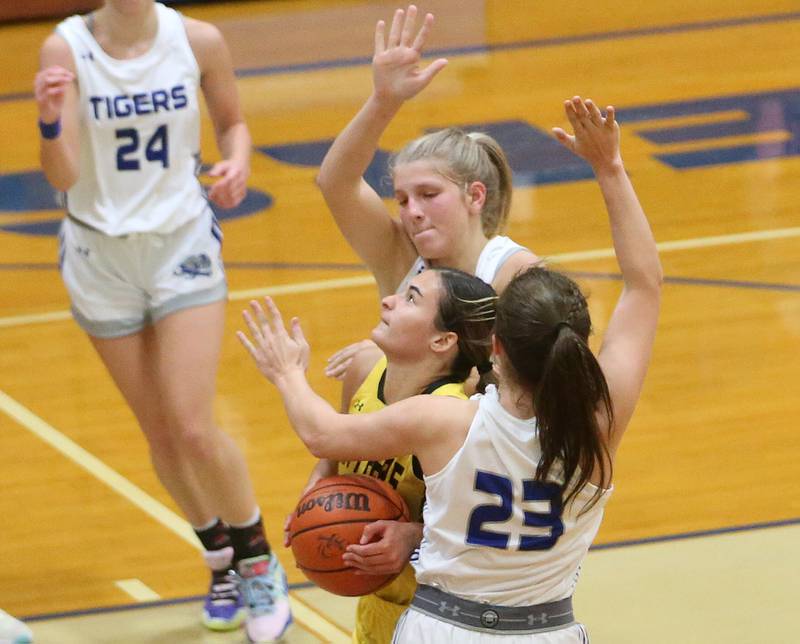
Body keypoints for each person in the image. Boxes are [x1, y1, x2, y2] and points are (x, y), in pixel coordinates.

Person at [239, 95, 662, 642]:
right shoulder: (598, 429)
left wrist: (287, 371)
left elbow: (322, 433)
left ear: (493, 348)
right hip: (546, 629)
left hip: (442, 625)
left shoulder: (448, 421)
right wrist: (612, 168)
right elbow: (644, 284)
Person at [33, 2, 290, 641]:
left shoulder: (199, 39)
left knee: (193, 425)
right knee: (162, 434)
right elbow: (62, 176)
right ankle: (219, 560)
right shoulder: (64, 50)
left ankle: (259, 562)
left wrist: (238, 163)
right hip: (99, 255)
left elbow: (233, 125)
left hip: (181, 246)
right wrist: (46, 121)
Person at [318, 4, 541, 381]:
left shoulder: (515, 273)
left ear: (475, 196)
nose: (413, 212)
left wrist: (392, 351)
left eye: (428, 194)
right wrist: (383, 101)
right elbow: (335, 182)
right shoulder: (400, 253)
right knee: (365, 372)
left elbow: (529, 385)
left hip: (480, 434)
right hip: (413, 432)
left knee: (370, 364)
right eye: (403, 200)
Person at [285, 266, 497, 644]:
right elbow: (334, 452)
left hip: (443, 613)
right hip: (378, 603)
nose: (388, 300)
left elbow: (489, 532)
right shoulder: (364, 369)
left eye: (410, 298)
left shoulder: (453, 416)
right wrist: (315, 495)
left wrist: (413, 535)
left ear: (442, 341)